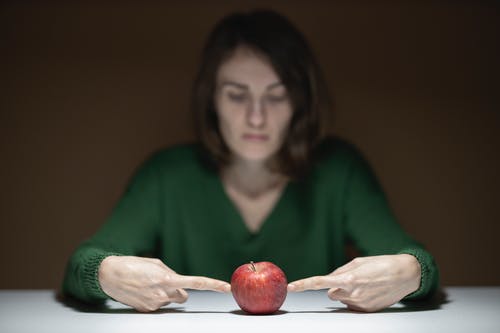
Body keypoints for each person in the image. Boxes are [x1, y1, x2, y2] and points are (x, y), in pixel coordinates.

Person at [62, 9, 439, 313]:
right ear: (212, 99)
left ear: (299, 102)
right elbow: (82, 265)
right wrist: (107, 273)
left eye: (276, 96)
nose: (257, 117)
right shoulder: (167, 175)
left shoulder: (339, 170)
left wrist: (411, 272)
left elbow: (419, 264)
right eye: (237, 95)